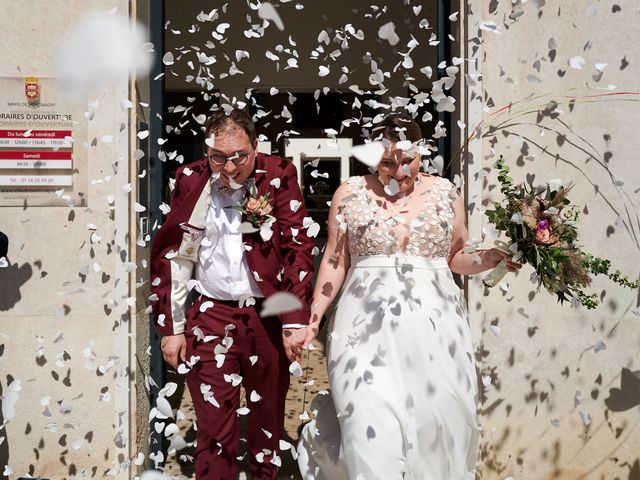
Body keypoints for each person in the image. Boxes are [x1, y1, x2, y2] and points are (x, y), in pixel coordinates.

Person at [297, 113, 521, 479]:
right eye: (387, 162)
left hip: (436, 328)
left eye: (408, 160)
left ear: (421, 153)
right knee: (368, 423)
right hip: (363, 329)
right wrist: (314, 318)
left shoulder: (446, 193)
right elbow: (335, 261)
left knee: (438, 425)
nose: (399, 171)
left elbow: (456, 257)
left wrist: (489, 257)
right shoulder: (350, 193)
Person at [150, 108, 315, 479]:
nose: (228, 166)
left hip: (268, 316)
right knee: (213, 429)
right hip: (210, 315)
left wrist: (294, 320)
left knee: (267, 424)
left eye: (239, 155)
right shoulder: (189, 178)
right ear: (207, 151)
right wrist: (173, 327)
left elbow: (297, 248)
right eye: (218, 156)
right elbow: (177, 254)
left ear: (256, 147)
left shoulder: (278, 175)